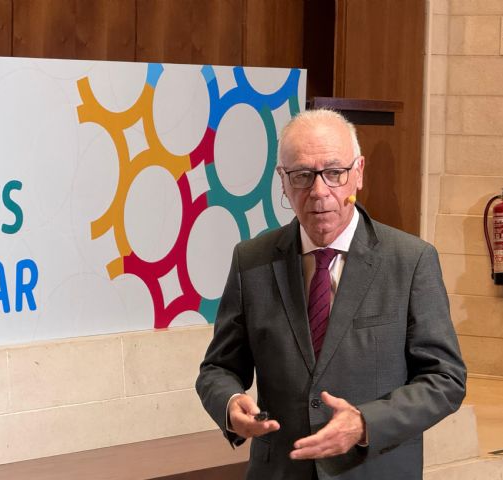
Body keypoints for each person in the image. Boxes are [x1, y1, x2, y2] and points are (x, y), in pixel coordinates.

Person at [196, 109, 466, 479]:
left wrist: (365, 423)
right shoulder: (252, 261)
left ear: (359, 172)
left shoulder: (410, 260)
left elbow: (446, 379)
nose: (319, 191)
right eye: (302, 176)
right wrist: (229, 405)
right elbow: (218, 368)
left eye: (334, 173)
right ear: (283, 180)